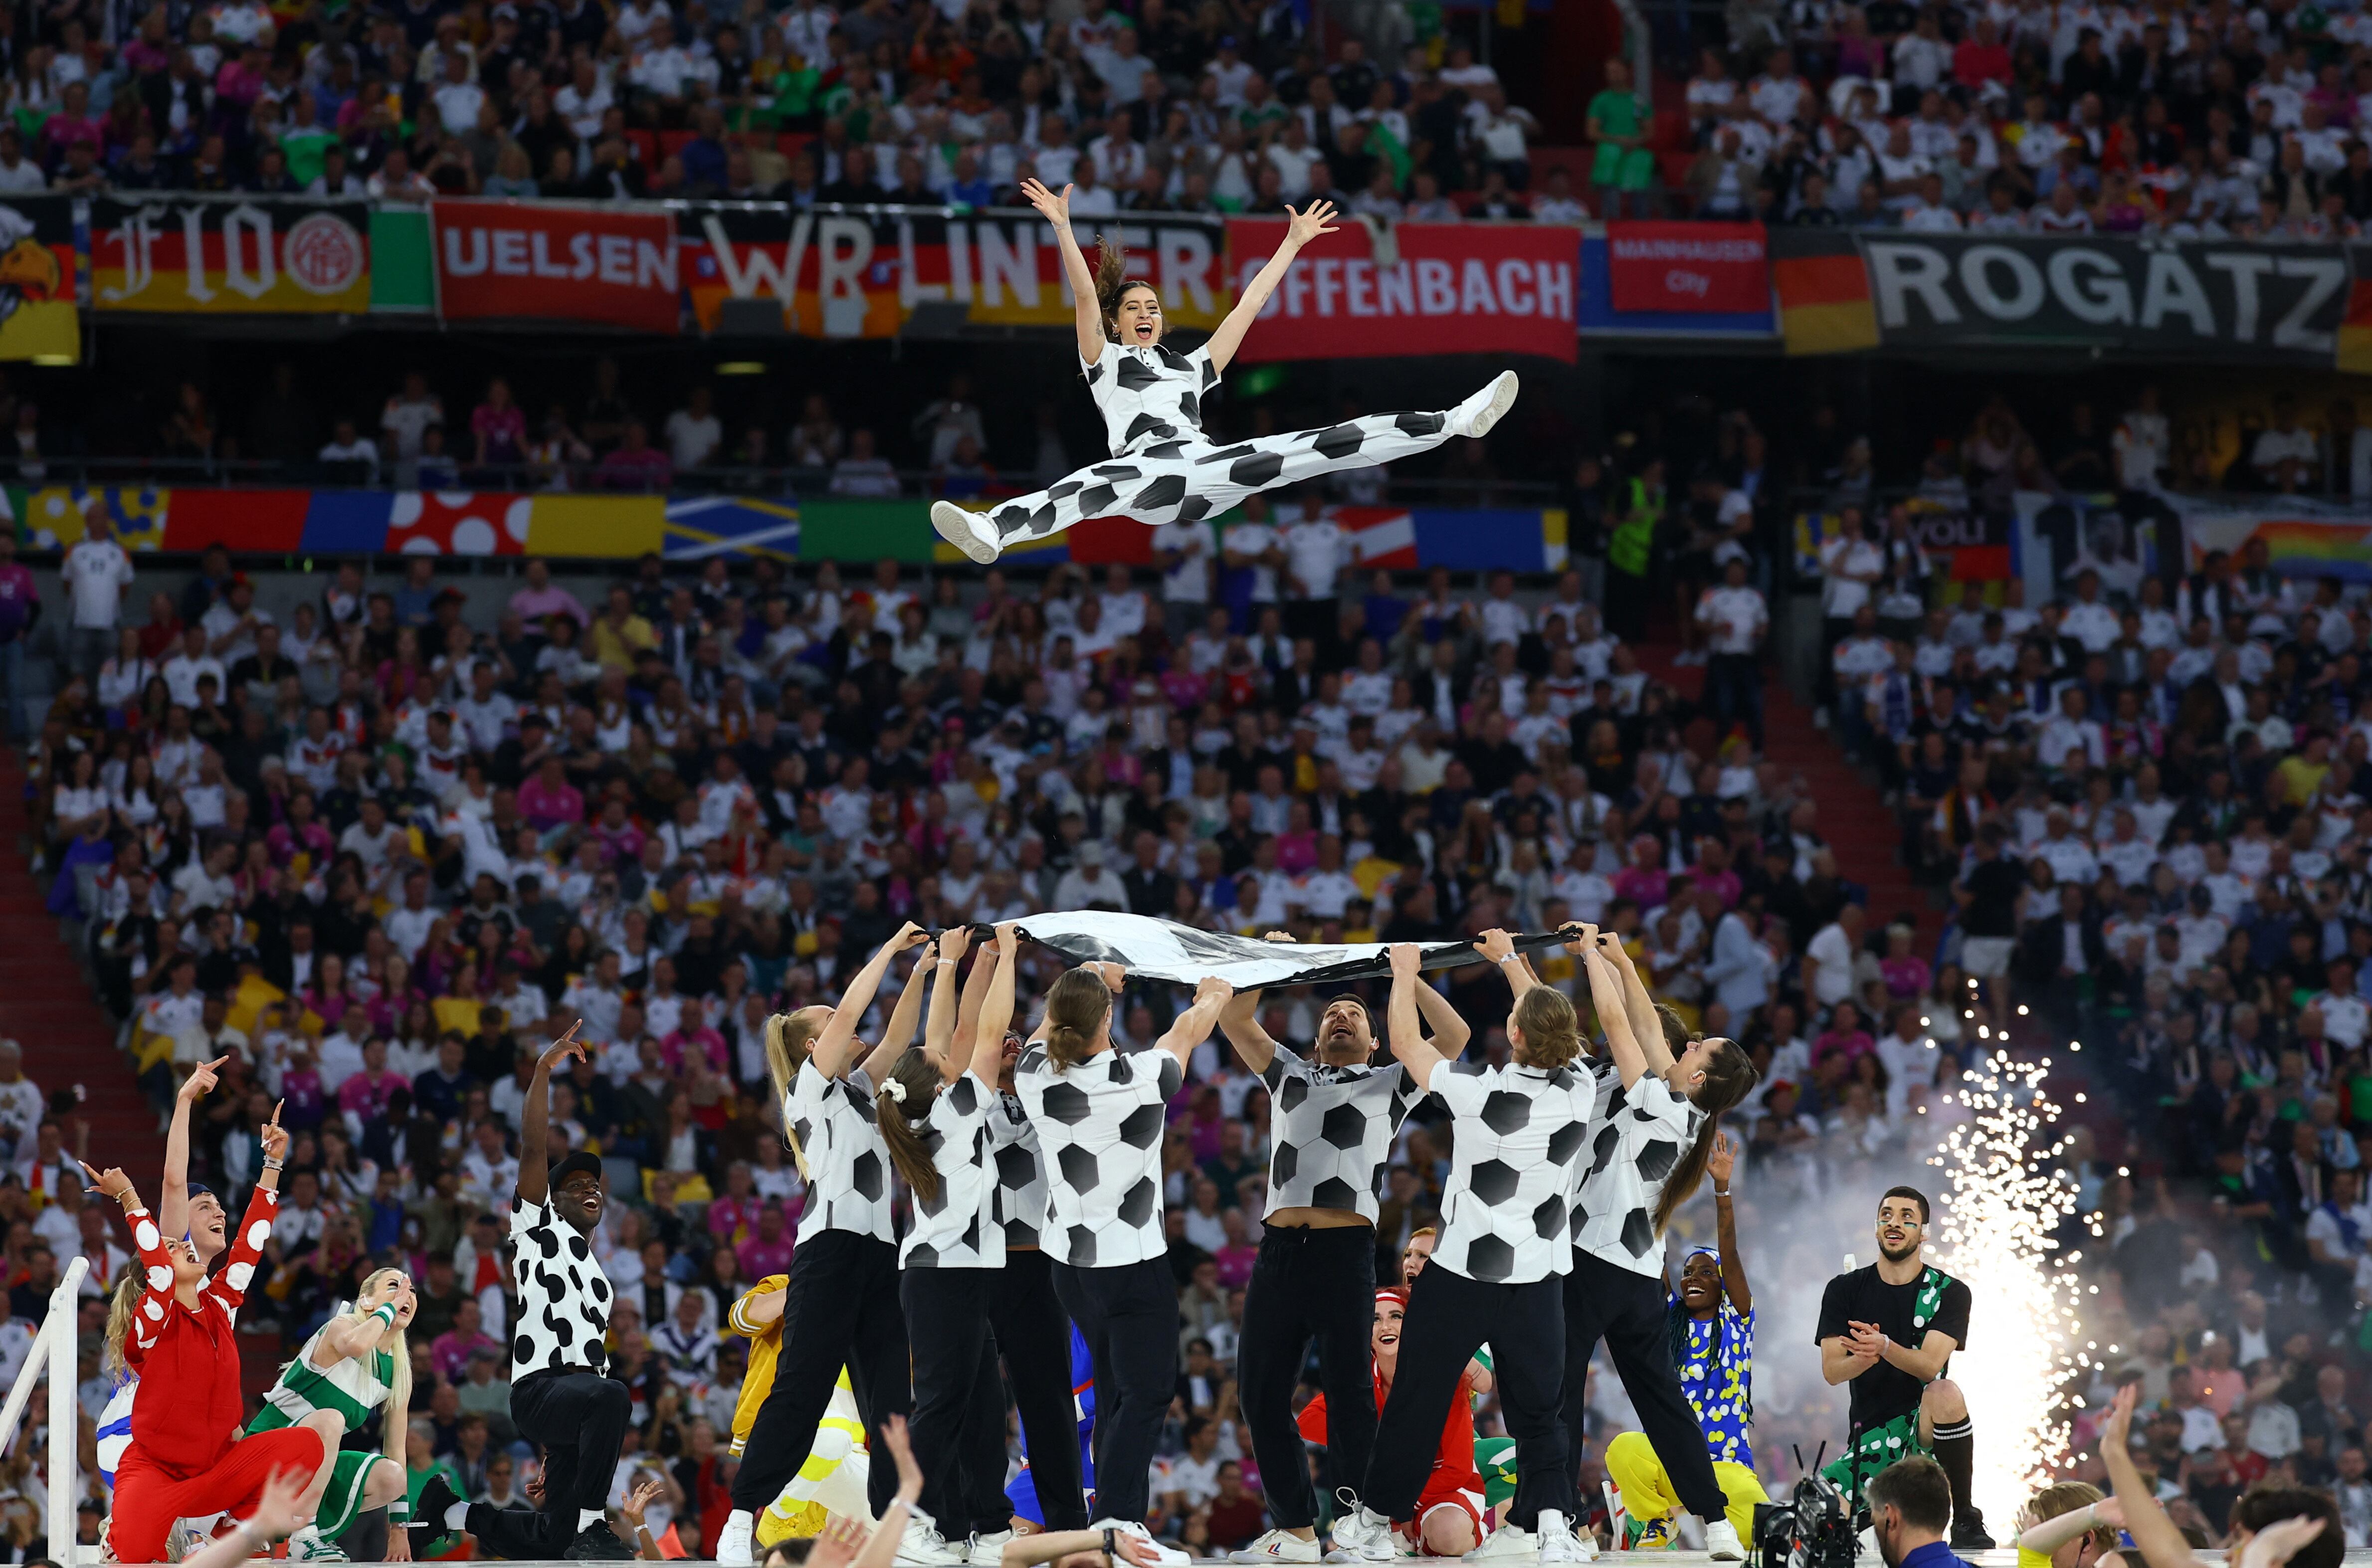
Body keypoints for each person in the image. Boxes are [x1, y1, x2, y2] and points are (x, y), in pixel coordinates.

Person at [928, 181, 1517, 564]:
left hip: (1206, 472)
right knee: (1086, 485)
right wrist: (1062, 225)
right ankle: (994, 532)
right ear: (1115, 322)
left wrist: (1291, 244)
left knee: (1323, 443)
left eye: (1152, 307)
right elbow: (1084, 298)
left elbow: (1249, 307)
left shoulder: (1192, 368)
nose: (1145, 313)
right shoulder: (1103, 362)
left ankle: (1455, 421)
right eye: (1133, 307)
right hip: (1142, 477)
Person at [1345, 944, 1595, 1565]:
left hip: (1459, 1278)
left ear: (1512, 1032)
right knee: (1541, 1413)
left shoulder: (1478, 1093)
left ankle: (1375, 1523)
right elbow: (1547, 1020)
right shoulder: (1582, 1088)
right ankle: (1553, 1528)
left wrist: (1405, 972)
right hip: (1536, 1281)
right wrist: (1511, 957)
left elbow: (1405, 1042)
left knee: (1417, 1402)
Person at [1215, 937, 1455, 1565]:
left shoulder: (1391, 1082)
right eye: (1331, 1014)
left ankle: (1354, 1527)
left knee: (1351, 1393)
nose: (1341, 1016)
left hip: (1346, 1250)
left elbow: (1451, 1037)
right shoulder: (1288, 1072)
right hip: (1279, 1252)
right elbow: (1235, 1017)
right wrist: (1272, 964)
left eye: (1355, 1014)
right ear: (1316, 1037)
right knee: (1259, 1395)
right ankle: (1296, 1530)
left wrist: (1404, 974)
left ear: (1377, 1042)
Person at [717, 927, 933, 1566]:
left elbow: (896, 1036)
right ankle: (739, 1517)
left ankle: (906, 1524)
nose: (847, 1023)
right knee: (802, 1390)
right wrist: (890, 950)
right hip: (830, 1250)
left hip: (877, 1254)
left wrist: (926, 966)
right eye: (832, 1020)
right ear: (815, 1045)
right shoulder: (808, 1091)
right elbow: (861, 1013)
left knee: (892, 1398)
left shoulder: (865, 1089)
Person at [876, 925, 1085, 1562]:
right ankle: (917, 1522)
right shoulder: (959, 1107)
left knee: (976, 1399)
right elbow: (981, 1034)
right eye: (946, 1062)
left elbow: (954, 1036)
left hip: (964, 1269)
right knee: (945, 1405)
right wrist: (1007, 960)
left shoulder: (927, 1111)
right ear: (940, 1083)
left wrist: (969, 963)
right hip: (952, 1272)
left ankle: (988, 1526)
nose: (959, 1057)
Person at [1015, 962, 1235, 1566]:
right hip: (1132, 1266)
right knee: (1145, 1392)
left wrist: (1087, 976)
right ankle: (1116, 1520)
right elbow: (1187, 1031)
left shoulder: (1032, 1074)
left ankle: (1109, 1520)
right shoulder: (1145, 1077)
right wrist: (1216, 991)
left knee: (1117, 1391)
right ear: (1108, 1021)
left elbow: (1044, 1033)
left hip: (1070, 1267)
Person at [1550, 930, 1757, 1559]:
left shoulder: (1662, 1106)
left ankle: (1562, 1522)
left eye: (1698, 1045)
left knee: (1559, 1392)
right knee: (1663, 1403)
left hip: (1592, 1263)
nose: (1687, 1042)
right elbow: (1642, 1024)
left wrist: (1589, 959)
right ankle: (1716, 1524)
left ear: (1697, 1072)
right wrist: (1620, 959)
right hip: (1641, 1276)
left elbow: (1618, 1023)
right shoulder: (1683, 1109)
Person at [89, 1100, 330, 1566]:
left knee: (306, 1444)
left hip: (212, 1465)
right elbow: (161, 1263)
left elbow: (253, 1242)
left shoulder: (220, 1301)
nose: (184, 1248)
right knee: (137, 1557)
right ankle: (122, 1533)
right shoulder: (153, 1317)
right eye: (174, 1246)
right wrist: (129, 1200)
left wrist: (274, 1163)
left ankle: (227, 1527)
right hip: (150, 1460)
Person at [447, 1022, 636, 1561]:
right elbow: (533, 1148)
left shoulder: (599, 1276)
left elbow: (592, 1367)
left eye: (595, 1185)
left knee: (554, 1540)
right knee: (614, 1395)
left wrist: (557, 1456)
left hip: (575, 1405)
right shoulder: (535, 1229)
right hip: (538, 1390)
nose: (590, 1189)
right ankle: (597, 1522)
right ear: (552, 1200)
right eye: (577, 1186)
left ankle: (452, 1512)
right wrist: (542, 1071)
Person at [1600, 1134, 1767, 1549]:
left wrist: (1722, 1190)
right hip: (1671, 1462)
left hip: (1727, 1470)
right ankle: (1657, 1521)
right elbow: (1652, 1255)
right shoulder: (1667, 1319)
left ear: (1724, 1285)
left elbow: (1729, 1252)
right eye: (1688, 1272)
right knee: (1623, 1449)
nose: (1694, 1277)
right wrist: (1648, 1187)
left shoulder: (1736, 1318)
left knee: (1763, 1540)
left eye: (1706, 1272)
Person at [1815, 1187, 1989, 1550]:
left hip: (1924, 1433)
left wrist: (1884, 1346)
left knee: (1945, 1392)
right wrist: (1863, 1358)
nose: (1895, 1222)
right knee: (1818, 1518)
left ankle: (1966, 1518)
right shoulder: (1844, 1289)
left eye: (1908, 1217)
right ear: (1877, 1226)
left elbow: (1929, 1367)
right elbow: (1832, 1371)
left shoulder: (1950, 1291)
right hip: (1869, 1443)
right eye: (1888, 1215)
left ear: (1923, 1232)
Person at [245, 1267, 428, 1561]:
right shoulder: (341, 1326)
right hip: (264, 1450)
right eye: (395, 1286)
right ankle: (303, 1534)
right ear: (367, 1301)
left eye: (412, 1291)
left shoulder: (397, 1373)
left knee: (392, 1478)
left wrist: (399, 1529)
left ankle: (302, 1528)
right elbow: (357, 1346)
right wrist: (390, 1309)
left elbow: (395, 1450)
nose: (406, 1295)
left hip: (310, 1469)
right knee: (332, 1419)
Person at [1298, 1289, 1490, 1557]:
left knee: (1448, 1537)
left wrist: (1402, 1505)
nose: (1385, 1326)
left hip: (1442, 1485)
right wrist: (1380, 1434)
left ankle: (1484, 1529)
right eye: (1375, 1319)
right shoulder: (1359, 1381)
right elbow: (1308, 1422)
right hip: (1384, 1492)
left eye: (1396, 1316)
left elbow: (1456, 1470)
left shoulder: (1441, 1379)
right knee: (1343, 1550)